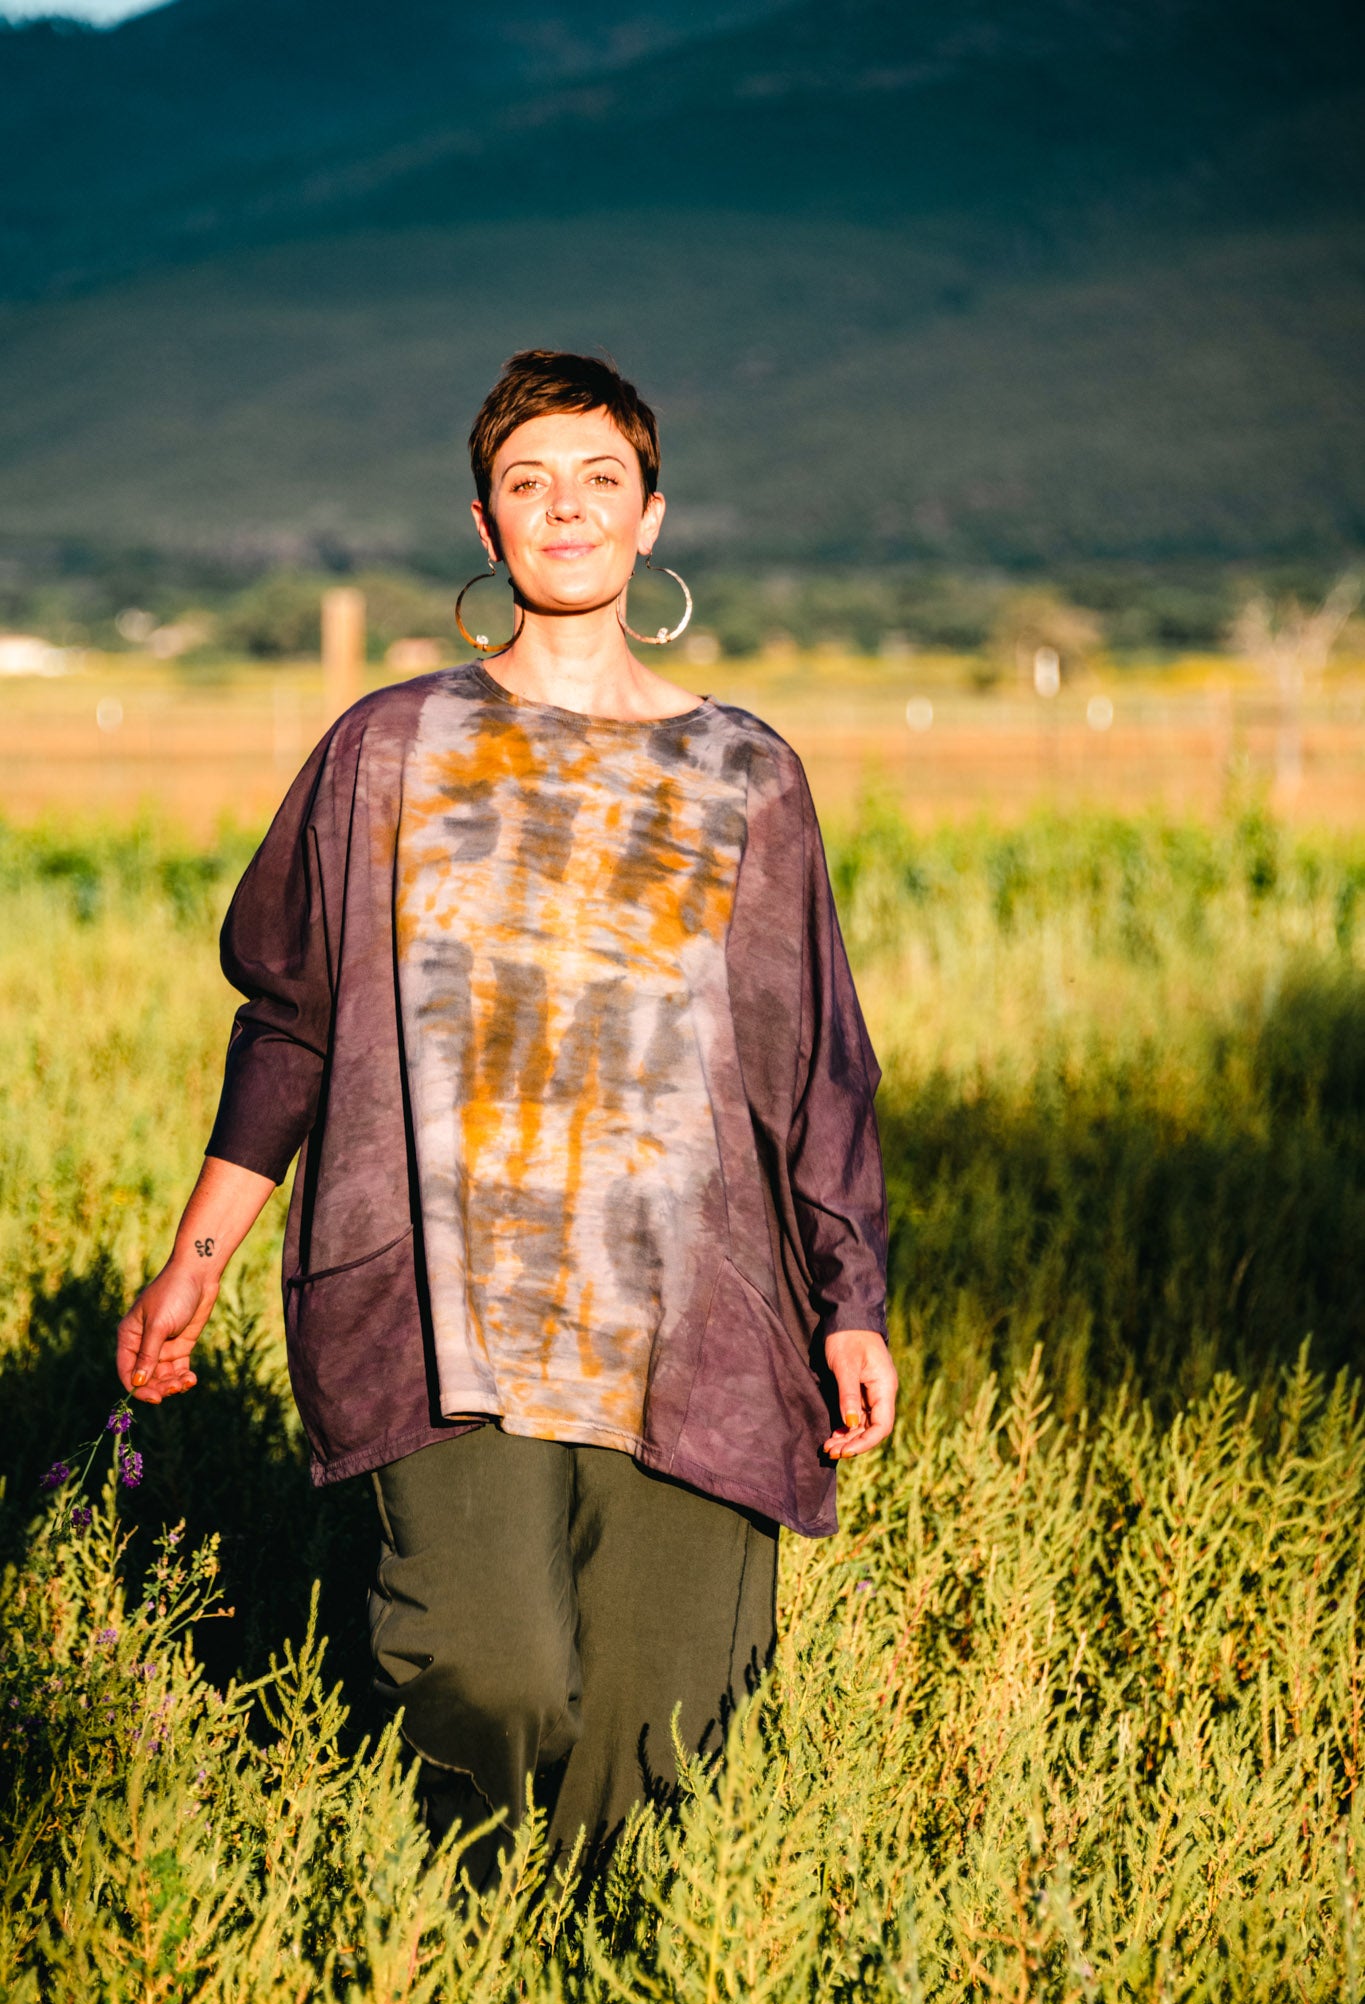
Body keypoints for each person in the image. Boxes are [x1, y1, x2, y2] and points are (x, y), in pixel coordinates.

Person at [116, 349, 896, 1882]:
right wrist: (196, 1262)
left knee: (657, 1725)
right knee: (487, 1666)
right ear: (485, 524)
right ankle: (463, 1931)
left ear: (651, 515)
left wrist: (849, 1300)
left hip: (693, 1312)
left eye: (600, 479)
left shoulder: (745, 774)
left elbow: (814, 1064)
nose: (567, 508)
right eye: (529, 482)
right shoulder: (389, 750)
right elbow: (290, 1018)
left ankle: (571, 1972)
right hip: (443, 1300)